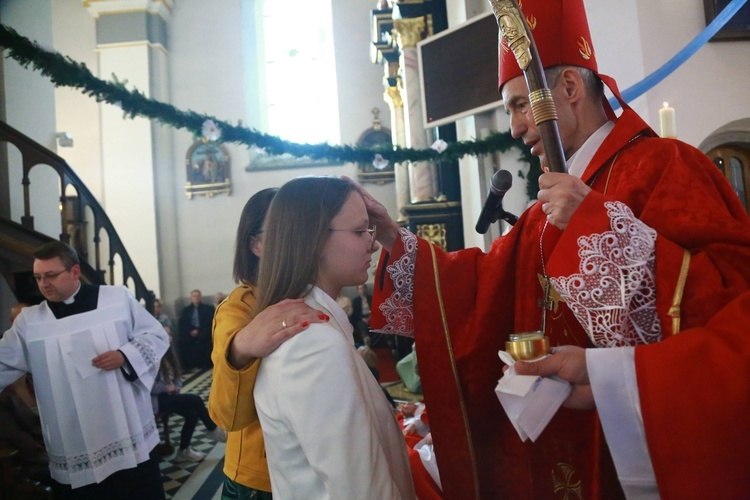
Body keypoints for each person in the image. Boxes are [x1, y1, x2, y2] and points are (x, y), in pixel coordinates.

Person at [359, 0, 750, 498]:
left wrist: (595, 225)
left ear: (567, 88)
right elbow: (483, 285)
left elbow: (729, 297)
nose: (518, 128)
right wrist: (395, 237)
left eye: (521, 105)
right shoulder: (551, 201)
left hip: (636, 442)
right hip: (558, 441)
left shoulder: (666, 166)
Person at [252, 176, 415, 498]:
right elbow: (363, 491)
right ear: (313, 239)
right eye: (359, 231)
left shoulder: (319, 328)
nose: (371, 242)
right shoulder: (313, 345)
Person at [0, 241, 169, 498]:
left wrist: (125, 355)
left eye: (51, 275)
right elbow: (4, 360)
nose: (43, 283)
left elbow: (155, 335)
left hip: (123, 428)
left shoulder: (116, 299)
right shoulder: (29, 322)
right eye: (38, 277)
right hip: (71, 437)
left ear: (75, 272)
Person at [209, 188, 327, 499]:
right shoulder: (239, 309)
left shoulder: (314, 294)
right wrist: (240, 349)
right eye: (284, 233)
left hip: (313, 461)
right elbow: (226, 416)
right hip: (259, 476)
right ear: (257, 244)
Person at [151, 335, 225, 463]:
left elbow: (178, 380)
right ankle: (212, 429)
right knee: (195, 399)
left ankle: (184, 451)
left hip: (170, 397)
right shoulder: (153, 359)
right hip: (156, 400)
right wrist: (167, 388)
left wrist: (175, 388)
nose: (169, 338)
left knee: (192, 414)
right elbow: (149, 386)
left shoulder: (170, 358)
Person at [178, 289, 215, 370]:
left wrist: (198, 330)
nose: (196, 298)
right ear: (191, 298)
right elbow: (183, 323)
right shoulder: (186, 310)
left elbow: (209, 323)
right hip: (190, 332)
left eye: (198, 296)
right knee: (183, 340)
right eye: (194, 296)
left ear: (200, 297)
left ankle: (205, 364)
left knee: (206, 337)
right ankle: (188, 366)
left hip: (203, 331)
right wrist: (190, 331)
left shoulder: (208, 309)